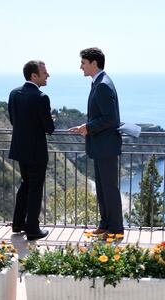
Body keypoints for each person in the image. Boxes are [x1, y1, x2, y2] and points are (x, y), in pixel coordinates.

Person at [69, 47, 124, 237]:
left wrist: (87, 128)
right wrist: (87, 127)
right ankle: (105, 224)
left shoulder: (102, 84)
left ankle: (116, 228)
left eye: (83, 62)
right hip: (102, 146)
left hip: (106, 146)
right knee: (102, 188)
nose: (80, 67)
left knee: (109, 189)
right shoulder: (99, 82)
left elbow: (110, 119)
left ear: (94, 63)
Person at [8, 60, 54, 241]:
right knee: (35, 188)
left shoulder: (14, 94)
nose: (48, 75)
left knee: (25, 184)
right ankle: (33, 229)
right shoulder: (41, 97)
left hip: (20, 148)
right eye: (44, 73)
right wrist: (49, 119)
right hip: (36, 151)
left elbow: (13, 120)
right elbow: (49, 128)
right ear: (34, 76)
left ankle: (18, 223)